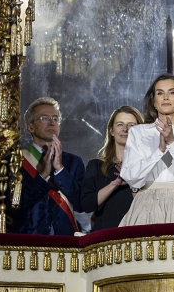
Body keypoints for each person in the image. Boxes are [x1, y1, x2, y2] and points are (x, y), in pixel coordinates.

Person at [119, 74, 174, 225]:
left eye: (172, 92)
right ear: (154, 101)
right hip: (145, 206)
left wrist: (172, 142)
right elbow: (131, 176)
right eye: (160, 93)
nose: (166, 97)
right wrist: (159, 151)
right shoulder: (138, 133)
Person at [12, 97, 85, 235]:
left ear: (60, 127)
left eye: (55, 119)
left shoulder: (74, 162)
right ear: (30, 127)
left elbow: (81, 205)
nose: (52, 122)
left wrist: (60, 170)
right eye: (44, 118)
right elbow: (14, 207)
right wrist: (42, 175)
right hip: (27, 243)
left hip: (66, 242)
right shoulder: (16, 161)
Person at [80, 106, 143, 231]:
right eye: (120, 124)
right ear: (111, 131)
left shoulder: (146, 166)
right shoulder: (96, 166)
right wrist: (114, 184)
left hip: (137, 236)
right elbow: (86, 205)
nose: (125, 129)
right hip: (105, 237)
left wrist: (132, 183)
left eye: (131, 125)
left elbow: (150, 208)